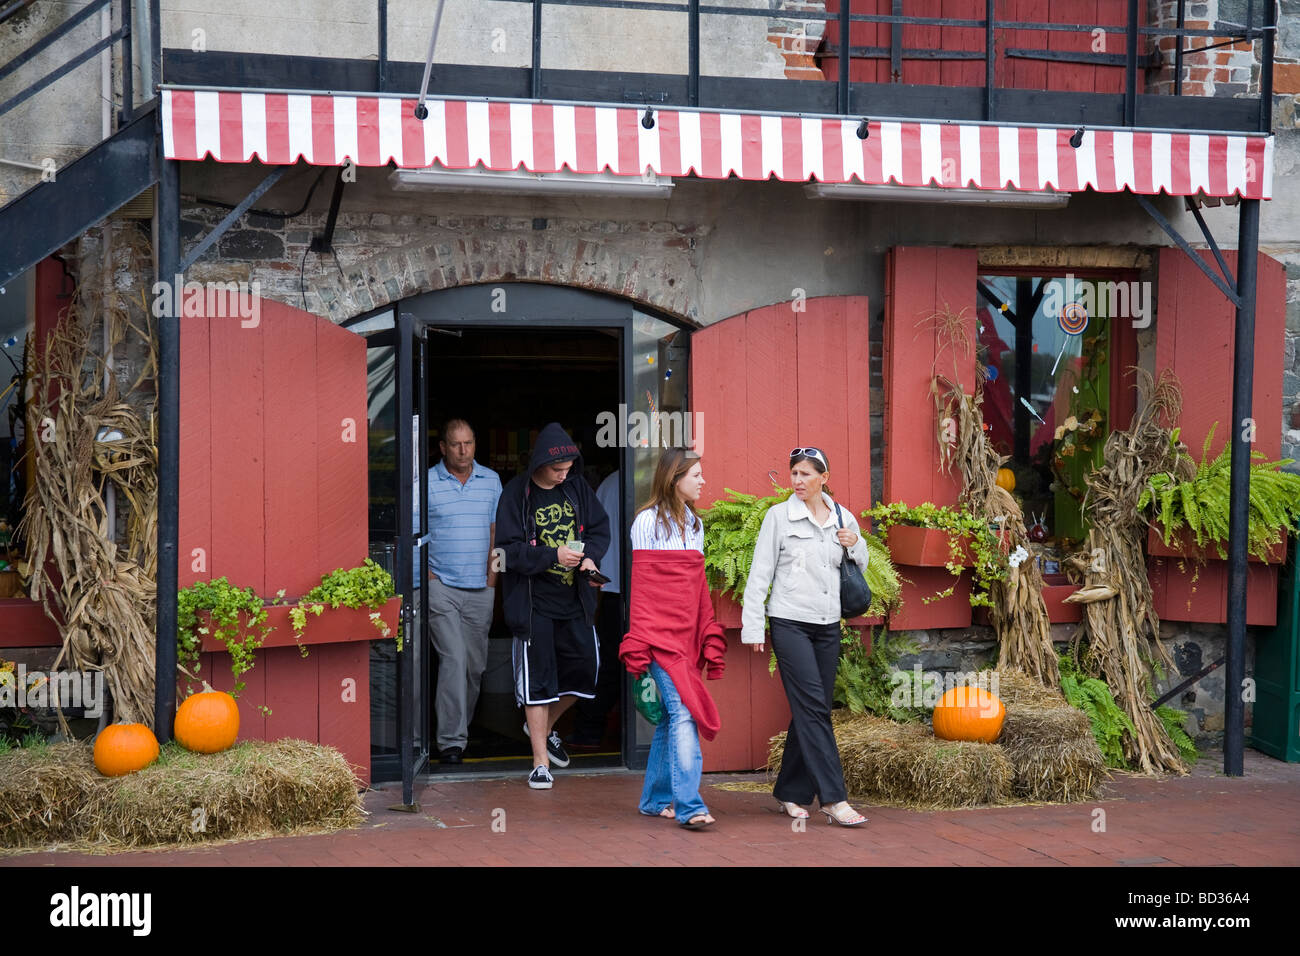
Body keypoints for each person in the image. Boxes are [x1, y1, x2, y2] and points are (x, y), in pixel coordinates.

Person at [741, 446, 870, 827]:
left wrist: (855, 543)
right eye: (794, 473)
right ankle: (833, 798)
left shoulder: (841, 517)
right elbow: (759, 573)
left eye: (806, 474)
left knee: (812, 709)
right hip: (789, 622)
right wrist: (753, 627)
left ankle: (790, 792)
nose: (797, 481)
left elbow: (859, 563)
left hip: (828, 625)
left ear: (824, 478)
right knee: (814, 708)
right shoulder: (778, 517)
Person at [496, 422, 610, 790]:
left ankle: (541, 727)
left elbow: (599, 530)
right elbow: (508, 552)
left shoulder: (576, 488)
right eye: (557, 470)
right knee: (538, 683)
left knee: (586, 674)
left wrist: (589, 558)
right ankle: (540, 762)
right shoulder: (516, 494)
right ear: (539, 466)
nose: (564, 476)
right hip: (533, 606)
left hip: (575, 601)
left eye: (567, 470)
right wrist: (552, 556)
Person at [619, 448, 726, 829]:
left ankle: (653, 800)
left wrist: (705, 634)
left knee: (669, 717)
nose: (702, 481)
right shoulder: (646, 522)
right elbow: (647, 592)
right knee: (684, 713)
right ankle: (690, 806)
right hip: (658, 638)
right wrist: (643, 641)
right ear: (674, 477)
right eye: (695, 474)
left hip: (686, 639)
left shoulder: (695, 525)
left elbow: (694, 589)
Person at [414, 419, 502, 764]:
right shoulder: (427, 483)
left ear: (475, 444)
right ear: (443, 447)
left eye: (468, 443)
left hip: (481, 588)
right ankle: (451, 741)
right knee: (453, 657)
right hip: (442, 587)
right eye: (455, 444)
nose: (463, 450)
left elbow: (498, 535)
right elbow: (414, 534)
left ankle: (457, 731)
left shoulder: (491, 481)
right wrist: (430, 577)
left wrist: (493, 582)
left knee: (474, 667)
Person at [571, 468, 624, 751]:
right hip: (627, 589)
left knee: (606, 665)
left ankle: (589, 729)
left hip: (611, 588)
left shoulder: (607, 483)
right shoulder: (621, 482)